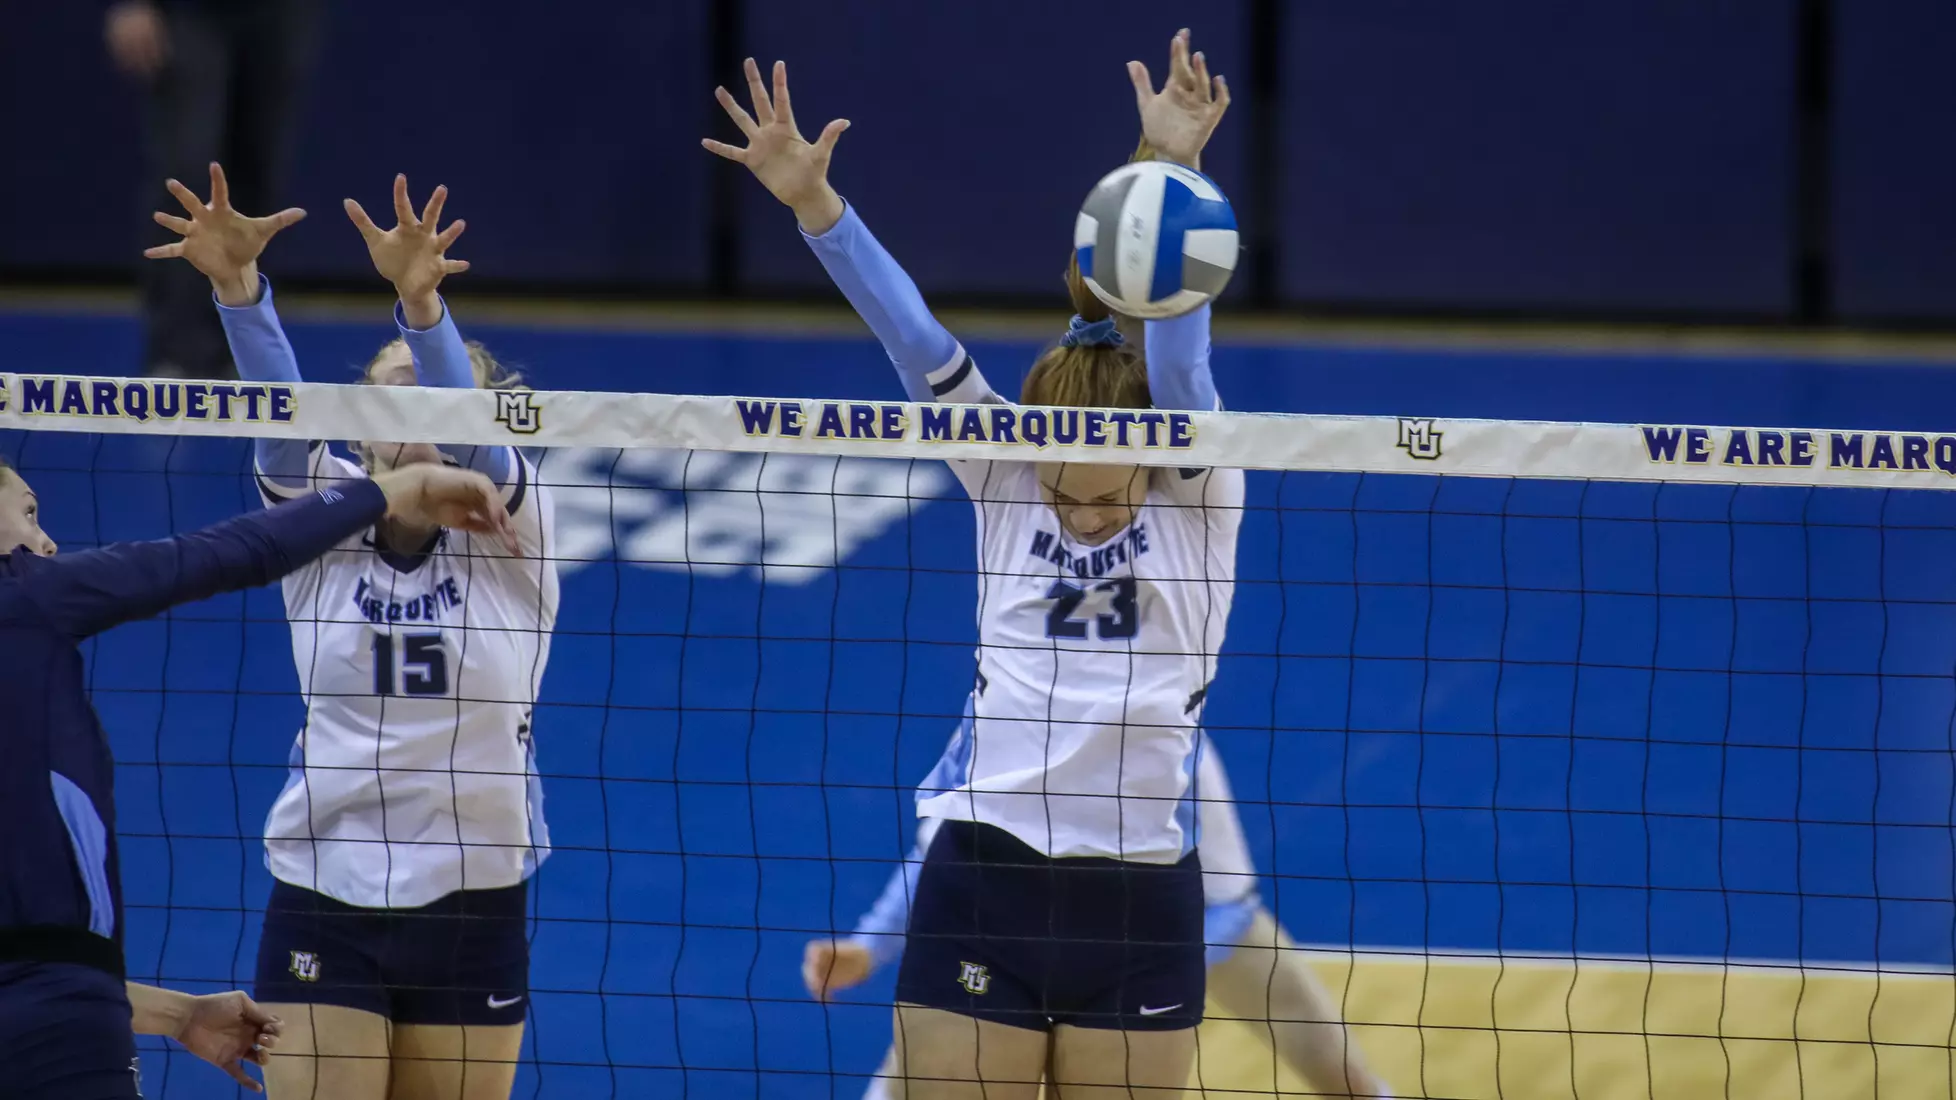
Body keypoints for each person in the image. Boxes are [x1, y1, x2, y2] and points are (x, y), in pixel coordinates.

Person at [709, 30, 1238, 1098]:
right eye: (1061, 488)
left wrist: (1169, 165)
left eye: (1102, 494)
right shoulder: (1003, 473)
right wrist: (818, 207)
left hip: (1136, 903)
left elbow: (1178, 346)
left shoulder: (1198, 485)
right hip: (983, 877)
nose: (1079, 514)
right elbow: (913, 338)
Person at [147, 166, 559, 1099]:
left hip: (474, 895)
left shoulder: (513, 529)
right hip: (325, 890)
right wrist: (238, 292)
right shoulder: (319, 520)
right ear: (361, 430)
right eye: (385, 398)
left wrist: (421, 307)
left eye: (426, 396)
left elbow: (476, 440)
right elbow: (284, 425)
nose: (407, 414)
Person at [0, 440, 517, 1098]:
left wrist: (177, 1014)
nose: (45, 542)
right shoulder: (26, 599)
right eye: (30, 513)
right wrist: (397, 488)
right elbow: (238, 550)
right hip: (62, 1022)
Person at [806, 734, 1393, 1100]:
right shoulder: (994, 732)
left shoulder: (1173, 748)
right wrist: (868, 947)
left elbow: (1227, 902)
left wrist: (1111, 980)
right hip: (1017, 942)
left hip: (1192, 934)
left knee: (1341, 1076)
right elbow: (938, 855)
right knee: (921, 1053)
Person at [106, 0, 321, 379]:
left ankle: (241, 349)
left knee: (257, 178)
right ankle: (174, 354)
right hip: (189, 13)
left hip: (282, 14)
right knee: (187, 175)